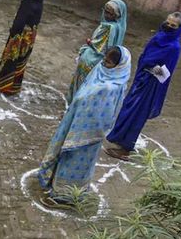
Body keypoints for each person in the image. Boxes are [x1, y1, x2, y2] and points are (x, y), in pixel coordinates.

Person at [37, 46, 131, 208]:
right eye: (104, 60)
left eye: (108, 63)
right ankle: (55, 184)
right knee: (65, 158)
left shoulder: (112, 87)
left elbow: (103, 115)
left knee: (74, 163)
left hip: (87, 135)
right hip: (74, 123)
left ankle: (65, 197)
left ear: (118, 66)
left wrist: (81, 133)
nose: (104, 64)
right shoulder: (100, 71)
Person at [104, 12, 181, 161]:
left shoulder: (174, 47)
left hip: (151, 86)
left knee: (137, 115)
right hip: (141, 78)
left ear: (179, 28)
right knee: (128, 108)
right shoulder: (159, 37)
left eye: (173, 25)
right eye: (167, 22)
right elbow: (145, 56)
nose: (168, 26)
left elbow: (165, 73)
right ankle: (119, 137)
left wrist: (150, 67)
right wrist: (145, 66)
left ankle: (125, 148)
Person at [66, 0, 127, 104]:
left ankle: (74, 104)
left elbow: (100, 46)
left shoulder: (109, 27)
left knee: (81, 85)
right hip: (99, 61)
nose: (106, 15)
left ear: (116, 15)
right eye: (105, 11)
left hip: (92, 60)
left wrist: (90, 43)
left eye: (109, 13)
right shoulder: (119, 27)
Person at [0, 0, 47, 94]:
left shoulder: (29, 3)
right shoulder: (39, 4)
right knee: (20, 61)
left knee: (11, 59)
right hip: (29, 38)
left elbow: (20, 21)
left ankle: (4, 85)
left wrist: (13, 33)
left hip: (20, 36)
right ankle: (13, 86)